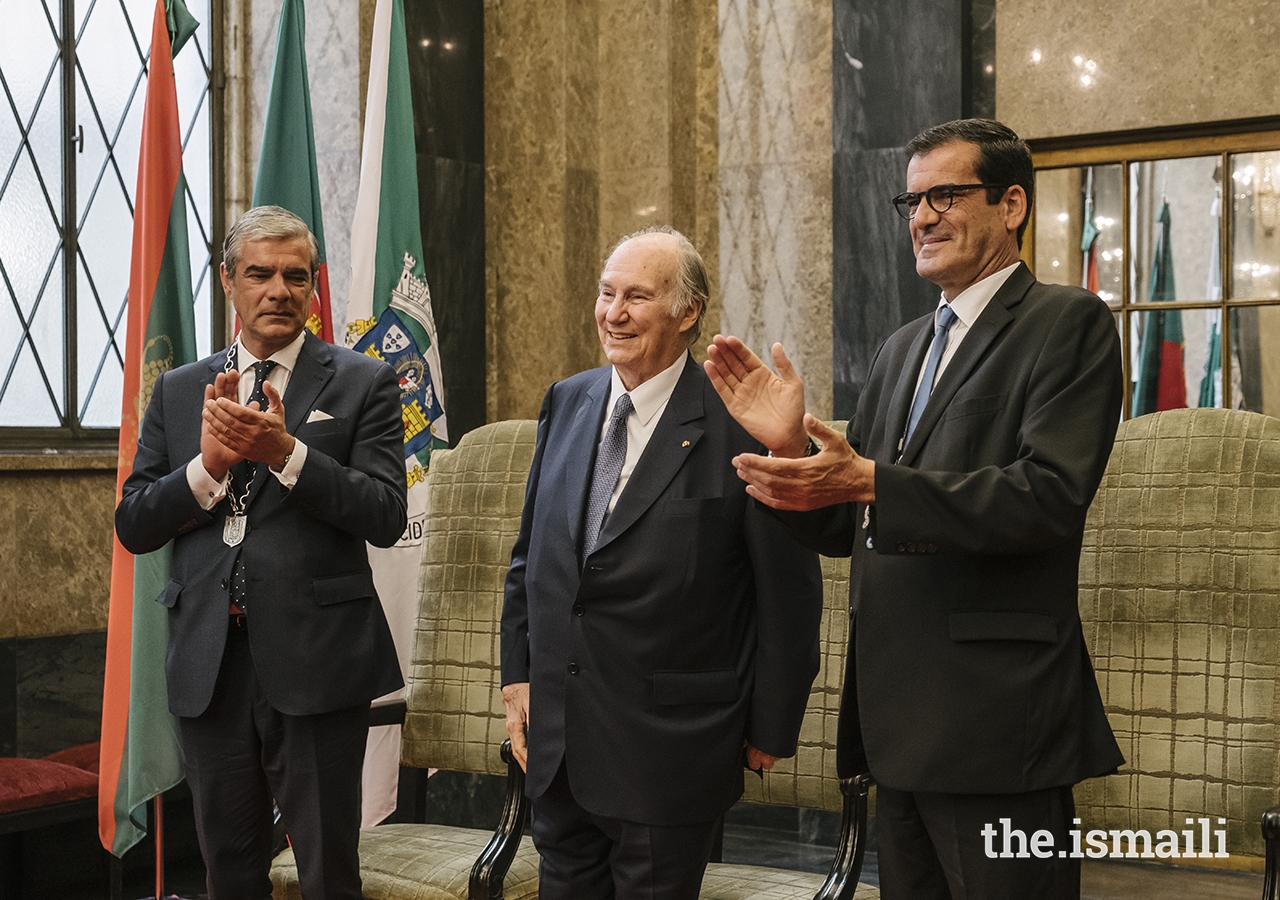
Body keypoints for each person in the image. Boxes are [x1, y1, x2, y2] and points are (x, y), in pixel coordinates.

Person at [704, 119, 1124, 899]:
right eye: (911, 201)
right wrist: (792, 455)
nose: (922, 217)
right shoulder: (902, 348)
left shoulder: (1068, 323)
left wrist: (868, 481)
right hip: (894, 723)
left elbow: (1048, 498)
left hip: (995, 721)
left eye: (944, 195)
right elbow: (849, 524)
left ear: (1011, 205)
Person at [500, 227, 823, 900]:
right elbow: (532, 556)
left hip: (670, 749)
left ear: (687, 312)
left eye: (637, 297)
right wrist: (517, 677)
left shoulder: (742, 422)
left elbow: (787, 593)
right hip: (559, 748)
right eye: (606, 293)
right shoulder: (568, 399)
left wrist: (771, 724)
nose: (613, 314)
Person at [115, 206, 407, 900]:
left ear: (313, 287)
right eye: (260, 274)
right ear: (228, 281)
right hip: (210, 668)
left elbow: (386, 514)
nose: (278, 289)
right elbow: (134, 523)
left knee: (328, 872)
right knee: (228, 871)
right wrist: (206, 468)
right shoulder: (181, 390)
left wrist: (288, 454)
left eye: (295, 276)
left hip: (319, 662)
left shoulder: (364, 382)